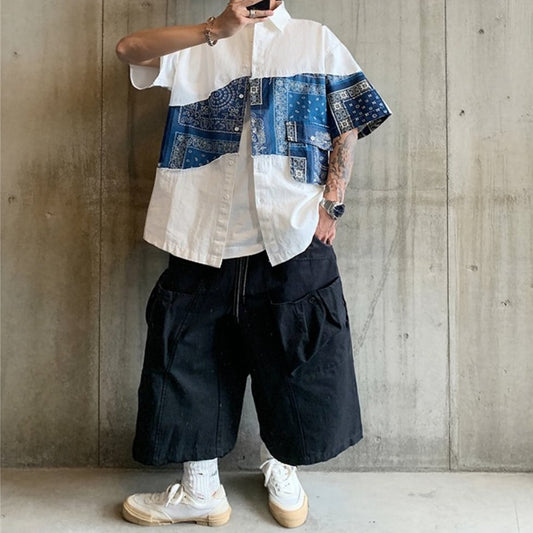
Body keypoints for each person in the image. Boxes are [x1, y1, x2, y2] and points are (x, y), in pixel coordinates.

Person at [115, 0, 390, 528]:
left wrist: (332, 202)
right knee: (188, 361)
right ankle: (201, 490)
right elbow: (129, 49)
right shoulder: (199, 43)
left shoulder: (314, 38)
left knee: (296, 361)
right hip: (200, 233)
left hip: (289, 234)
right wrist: (214, 29)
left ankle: (281, 468)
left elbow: (349, 119)